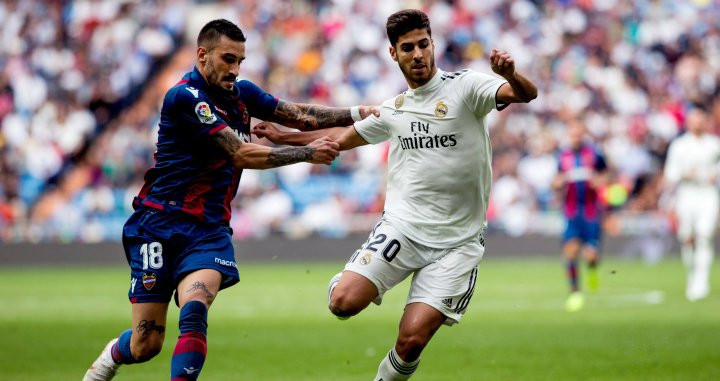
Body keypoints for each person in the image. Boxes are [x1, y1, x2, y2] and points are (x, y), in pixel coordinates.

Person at [83, 19, 377, 381]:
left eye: (240, 60)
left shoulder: (242, 93)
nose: (235, 69)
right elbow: (240, 154)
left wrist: (357, 113)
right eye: (228, 59)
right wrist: (305, 154)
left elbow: (298, 115)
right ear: (202, 55)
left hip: (207, 229)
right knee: (146, 345)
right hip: (158, 224)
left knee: (194, 308)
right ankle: (111, 357)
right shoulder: (185, 97)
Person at [253, 9, 537, 380]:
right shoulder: (394, 110)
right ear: (393, 54)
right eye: (408, 48)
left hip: (458, 243)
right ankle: (353, 278)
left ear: (433, 45)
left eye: (423, 45)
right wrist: (283, 136)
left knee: (411, 342)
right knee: (342, 303)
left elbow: (525, 94)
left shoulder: (466, 87)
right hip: (403, 230)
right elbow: (339, 139)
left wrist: (510, 73)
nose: (417, 54)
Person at [663, 103, 720, 301]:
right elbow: (670, 173)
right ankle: (692, 275)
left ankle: (701, 282)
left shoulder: (714, 144)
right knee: (687, 237)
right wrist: (684, 174)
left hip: (707, 194)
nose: (698, 123)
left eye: (701, 119)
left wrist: (714, 175)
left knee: (705, 235)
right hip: (687, 195)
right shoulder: (679, 145)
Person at [550, 120, 608, 312]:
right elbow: (556, 181)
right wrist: (557, 184)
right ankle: (575, 292)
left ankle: (592, 270)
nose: (575, 138)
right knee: (571, 251)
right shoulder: (562, 156)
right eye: (572, 134)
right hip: (571, 211)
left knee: (591, 256)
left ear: (583, 135)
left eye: (578, 134)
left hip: (591, 212)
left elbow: (606, 174)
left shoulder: (594, 154)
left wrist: (599, 181)